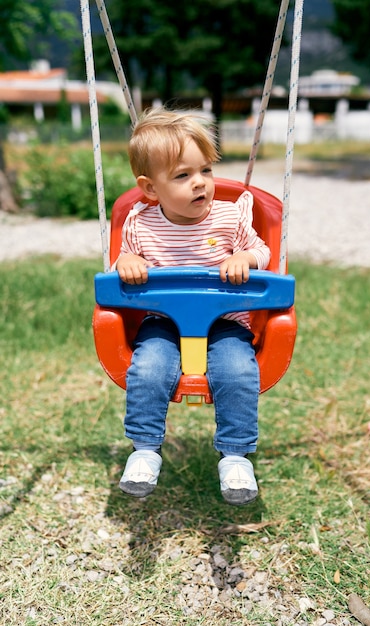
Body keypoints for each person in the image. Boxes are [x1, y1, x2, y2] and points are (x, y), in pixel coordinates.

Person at [115, 107, 271, 506]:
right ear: (151, 189)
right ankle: (145, 450)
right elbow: (123, 262)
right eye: (183, 176)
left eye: (205, 171)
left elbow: (262, 250)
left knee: (237, 371)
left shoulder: (228, 217)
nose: (200, 183)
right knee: (148, 369)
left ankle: (235, 458)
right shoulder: (141, 223)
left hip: (225, 322)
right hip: (163, 323)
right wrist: (127, 263)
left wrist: (245, 260)